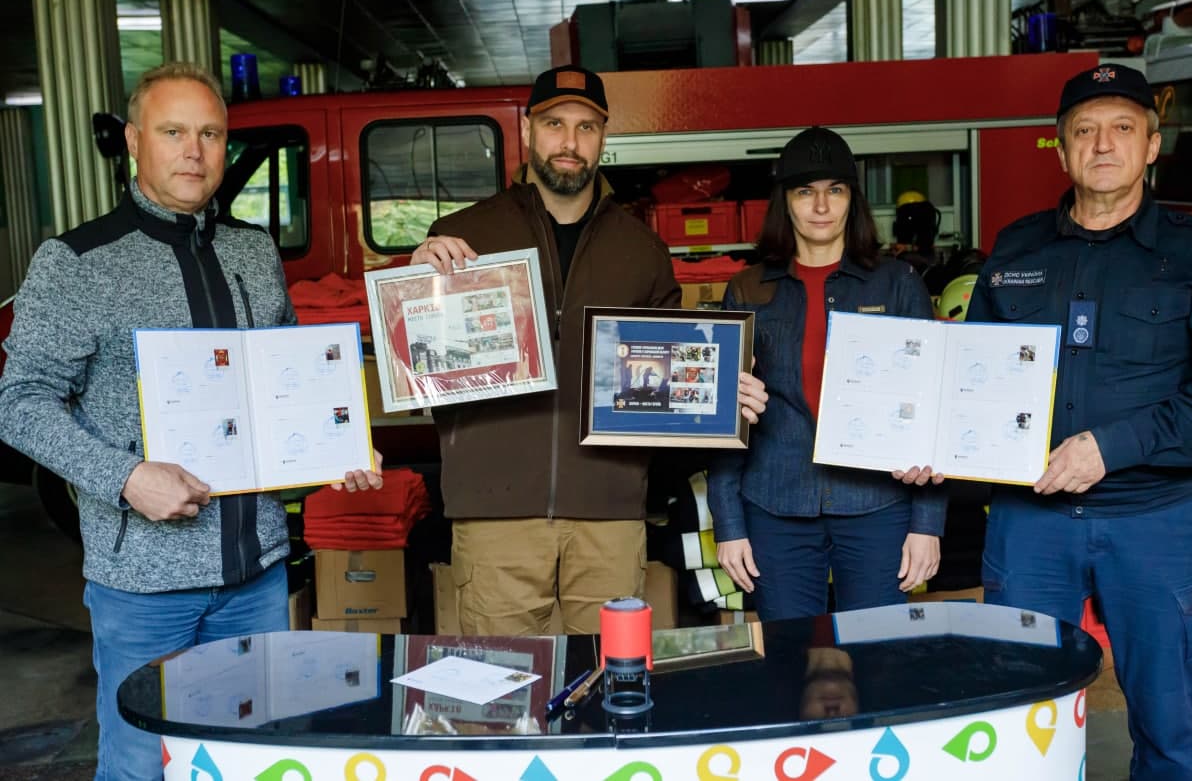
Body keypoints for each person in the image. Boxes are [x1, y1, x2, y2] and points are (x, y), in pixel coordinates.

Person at [0, 62, 383, 781]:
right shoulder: (76, 262)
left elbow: (287, 385)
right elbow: (16, 402)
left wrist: (339, 448)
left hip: (258, 573)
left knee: (252, 759)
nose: (194, 151)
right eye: (174, 132)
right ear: (135, 142)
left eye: (210, 134)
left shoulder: (253, 251)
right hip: (143, 586)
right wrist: (125, 477)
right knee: (143, 762)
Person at [967, 64, 1192, 780]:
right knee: (1020, 728)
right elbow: (969, 378)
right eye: (1084, 130)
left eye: (1123, 128)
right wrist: (934, 445)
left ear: (1153, 145)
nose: (1103, 145)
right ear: (1062, 149)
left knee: (1168, 732)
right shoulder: (1015, 249)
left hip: (1155, 523)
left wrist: (1112, 446)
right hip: (1030, 524)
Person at [410, 65, 767, 636]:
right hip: (494, 515)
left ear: (604, 137)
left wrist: (725, 389)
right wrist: (418, 282)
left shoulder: (643, 250)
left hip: (610, 514)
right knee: (504, 692)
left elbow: (673, 378)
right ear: (529, 130)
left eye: (586, 127)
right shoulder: (461, 236)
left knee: (609, 689)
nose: (569, 142)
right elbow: (420, 360)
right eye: (554, 124)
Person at [707, 126, 946, 622]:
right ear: (785, 202)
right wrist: (728, 524)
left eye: (835, 191)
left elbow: (932, 407)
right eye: (805, 192)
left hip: (877, 503)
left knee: (879, 657)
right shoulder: (748, 288)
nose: (821, 206)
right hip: (776, 505)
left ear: (852, 200)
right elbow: (726, 416)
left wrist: (928, 523)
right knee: (792, 663)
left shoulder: (898, 284)